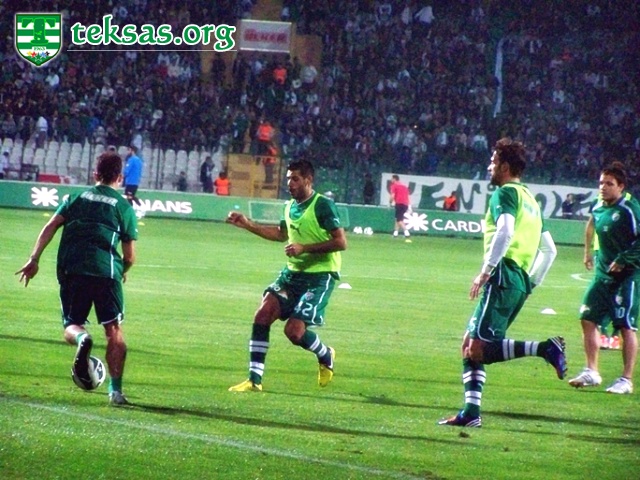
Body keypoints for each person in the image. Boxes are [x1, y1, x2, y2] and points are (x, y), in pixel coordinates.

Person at [439, 138, 564, 428]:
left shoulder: (505, 193)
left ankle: (545, 348)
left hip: (503, 275)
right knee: (469, 343)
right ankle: (471, 412)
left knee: (479, 349)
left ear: (505, 167)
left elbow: (505, 231)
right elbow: (550, 251)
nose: (489, 166)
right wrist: (530, 284)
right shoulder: (530, 200)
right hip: (518, 279)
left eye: (493, 161)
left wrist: (486, 271)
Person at [15, 151, 138, 406]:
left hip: (72, 269)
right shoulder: (124, 207)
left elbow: (50, 226)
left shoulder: (75, 198)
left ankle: (82, 338)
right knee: (113, 330)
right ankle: (115, 392)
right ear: (120, 177)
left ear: (95, 174)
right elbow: (130, 256)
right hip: (106, 273)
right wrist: (122, 270)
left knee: (72, 324)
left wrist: (34, 258)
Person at [226, 159, 347, 391]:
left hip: (319, 277)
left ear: (308, 180)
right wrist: (248, 225)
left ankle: (325, 354)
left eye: (295, 179)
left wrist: (304, 248)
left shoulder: (323, 205)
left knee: (294, 332)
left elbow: (341, 242)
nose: (290, 183)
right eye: (288, 179)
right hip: (292, 275)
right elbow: (281, 234)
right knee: (262, 314)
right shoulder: (289, 205)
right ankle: (254, 380)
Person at [569, 162, 639, 394]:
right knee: (587, 318)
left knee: (625, 325)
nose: (603, 187)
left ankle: (626, 380)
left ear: (621, 187)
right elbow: (591, 224)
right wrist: (588, 252)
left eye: (609, 184)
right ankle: (592, 371)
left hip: (627, 276)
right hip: (602, 275)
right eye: (601, 183)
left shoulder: (630, 209)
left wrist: (625, 259)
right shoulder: (598, 205)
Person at [389, 174, 411, 239]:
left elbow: (392, 195)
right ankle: (395, 233)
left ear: (394, 179)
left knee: (399, 220)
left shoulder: (394, 186)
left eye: (392, 178)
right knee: (398, 218)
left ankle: (407, 232)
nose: (391, 180)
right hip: (405, 204)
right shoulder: (405, 187)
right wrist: (409, 206)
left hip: (399, 203)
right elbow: (408, 196)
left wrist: (390, 202)